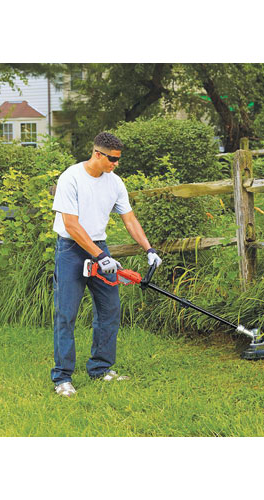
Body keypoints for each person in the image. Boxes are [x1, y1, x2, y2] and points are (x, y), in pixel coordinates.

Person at [51, 132, 162, 397]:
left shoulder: (115, 182)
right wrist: (100, 257)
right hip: (71, 250)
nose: (115, 164)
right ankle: (62, 377)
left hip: (100, 248)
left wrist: (149, 249)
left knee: (110, 309)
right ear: (97, 154)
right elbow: (71, 225)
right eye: (112, 159)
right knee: (66, 314)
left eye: (118, 160)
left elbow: (130, 219)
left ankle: (100, 369)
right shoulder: (71, 178)